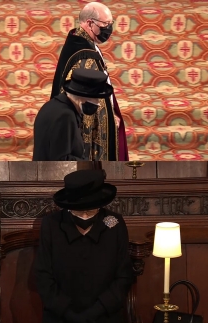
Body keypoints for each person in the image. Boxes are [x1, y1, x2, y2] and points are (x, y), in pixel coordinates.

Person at [35, 169, 133, 323]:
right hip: (61, 317)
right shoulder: (51, 224)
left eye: (91, 210)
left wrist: (94, 313)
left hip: (106, 316)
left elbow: (124, 276)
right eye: (80, 211)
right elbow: (43, 276)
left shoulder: (114, 223)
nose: (85, 216)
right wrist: (70, 314)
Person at [50, 2, 128, 161]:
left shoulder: (78, 40)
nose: (109, 29)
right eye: (105, 24)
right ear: (89, 23)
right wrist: (109, 120)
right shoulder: (85, 56)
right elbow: (87, 99)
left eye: (110, 23)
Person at [33, 68, 114, 161]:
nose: (98, 103)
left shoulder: (55, 105)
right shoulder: (65, 116)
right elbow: (60, 160)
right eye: (96, 98)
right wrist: (88, 165)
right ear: (83, 98)